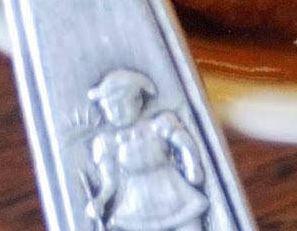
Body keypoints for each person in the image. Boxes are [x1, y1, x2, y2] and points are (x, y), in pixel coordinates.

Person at [81, 68, 209, 231]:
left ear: (138, 101)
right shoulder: (107, 143)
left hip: (173, 191)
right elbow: (110, 181)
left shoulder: (159, 125)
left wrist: (193, 165)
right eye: (110, 108)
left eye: (121, 104)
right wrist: (101, 200)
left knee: (189, 224)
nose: (117, 112)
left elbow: (183, 143)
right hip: (138, 202)